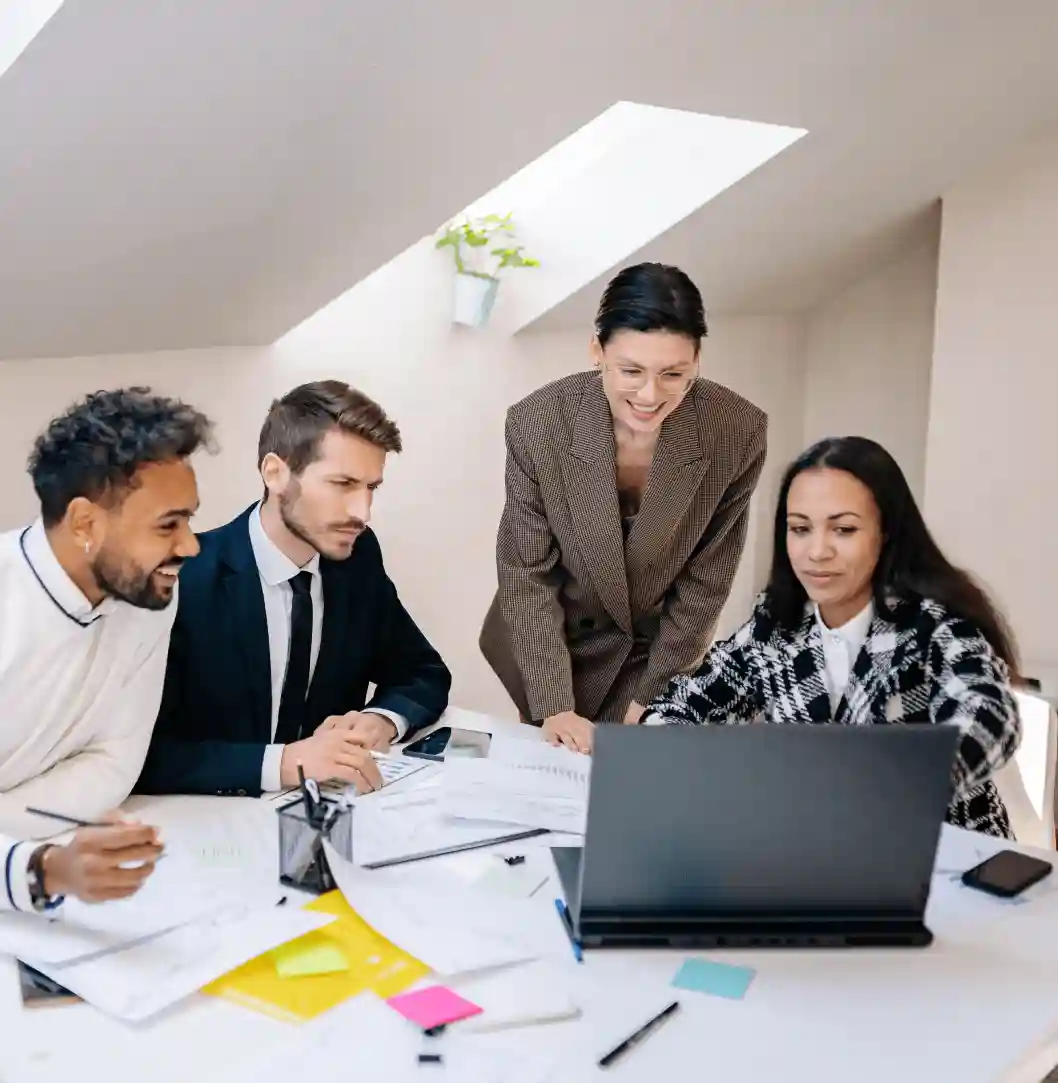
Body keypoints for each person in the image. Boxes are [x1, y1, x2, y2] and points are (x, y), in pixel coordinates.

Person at [644, 436, 1021, 838]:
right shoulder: (775, 622)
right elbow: (684, 706)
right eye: (800, 529)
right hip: (823, 858)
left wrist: (906, 781)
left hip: (947, 858)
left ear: (886, 533)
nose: (817, 551)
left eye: (843, 529)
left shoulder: (932, 622)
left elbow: (989, 713)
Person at [480, 262, 768, 752]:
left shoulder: (736, 432)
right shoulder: (538, 423)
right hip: (551, 643)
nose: (650, 395)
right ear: (598, 351)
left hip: (651, 651)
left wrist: (654, 698)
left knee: (638, 782)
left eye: (673, 374)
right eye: (630, 371)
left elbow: (707, 582)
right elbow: (526, 573)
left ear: (698, 359)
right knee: (553, 783)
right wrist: (554, 704)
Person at [138, 380, 452, 798]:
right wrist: (285, 763)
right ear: (276, 474)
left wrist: (380, 719)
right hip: (208, 828)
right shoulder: (181, 579)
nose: (362, 512)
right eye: (342, 484)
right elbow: (139, 755)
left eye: (371, 488)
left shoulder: (357, 558)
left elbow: (422, 673)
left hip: (330, 820)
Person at [1, 387, 213, 911]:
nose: (191, 546)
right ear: (85, 524)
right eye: (168, 524)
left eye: (189, 519)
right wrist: (38, 867)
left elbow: (115, 762)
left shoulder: (150, 591)